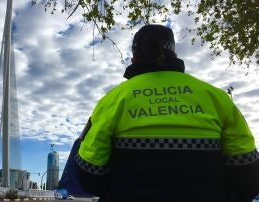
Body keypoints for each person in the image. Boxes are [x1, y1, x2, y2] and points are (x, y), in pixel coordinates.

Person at [74, 24, 259, 202]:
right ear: (174, 54)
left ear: (134, 58)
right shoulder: (217, 98)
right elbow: (247, 171)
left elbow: (90, 173)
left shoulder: (113, 100)